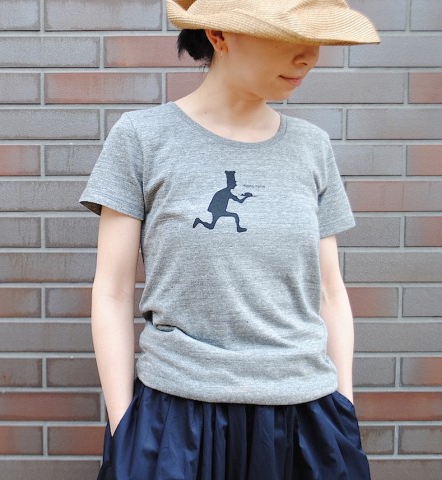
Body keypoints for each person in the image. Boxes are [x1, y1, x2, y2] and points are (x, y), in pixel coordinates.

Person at [79, 1, 380, 479]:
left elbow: (329, 291)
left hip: (306, 417)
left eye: (315, 39)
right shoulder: (142, 138)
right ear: (218, 35)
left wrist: (343, 405)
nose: (308, 56)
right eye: (287, 37)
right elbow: (112, 292)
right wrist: (124, 427)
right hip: (178, 419)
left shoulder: (312, 147)